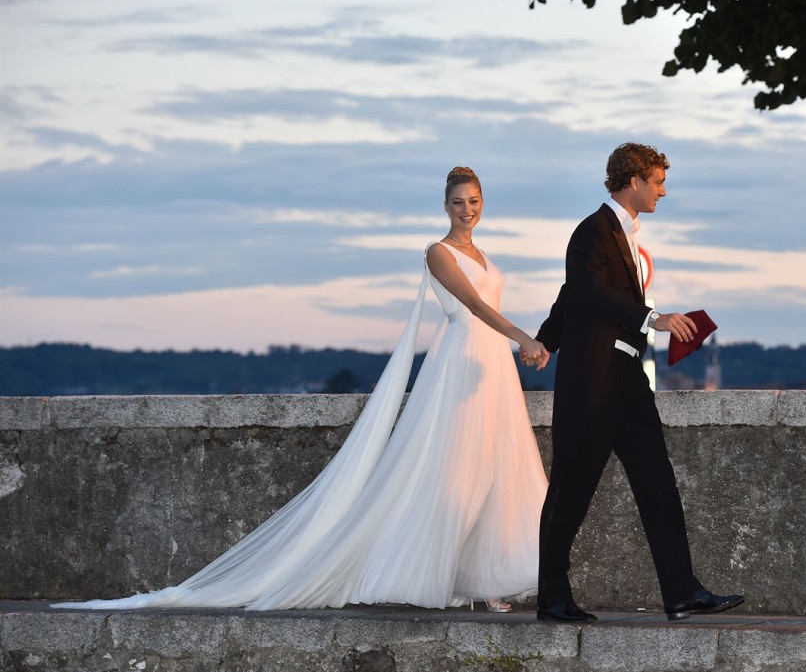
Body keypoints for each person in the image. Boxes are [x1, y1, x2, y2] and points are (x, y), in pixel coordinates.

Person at [53, 167, 550, 613]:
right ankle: (433, 575)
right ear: (445, 206)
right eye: (460, 201)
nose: (468, 210)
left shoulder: (483, 254)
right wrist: (522, 336)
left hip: (491, 368)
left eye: (475, 201)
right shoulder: (437, 253)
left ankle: (487, 580)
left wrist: (517, 344)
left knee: (494, 466)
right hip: (459, 361)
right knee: (452, 468)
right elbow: (474, 308)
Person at [533, 142, 744, 623]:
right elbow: (585, 290)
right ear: (633, 182)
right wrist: (653, 317)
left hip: (627, 380)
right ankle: (553, 599)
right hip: (593, 382)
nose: (663, 192)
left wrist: (547, 339)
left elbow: (572, 295)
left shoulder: (621, 233)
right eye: (658, 182)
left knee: (658, 483)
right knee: (571, 487)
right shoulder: (591, 231)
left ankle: (681, 593)